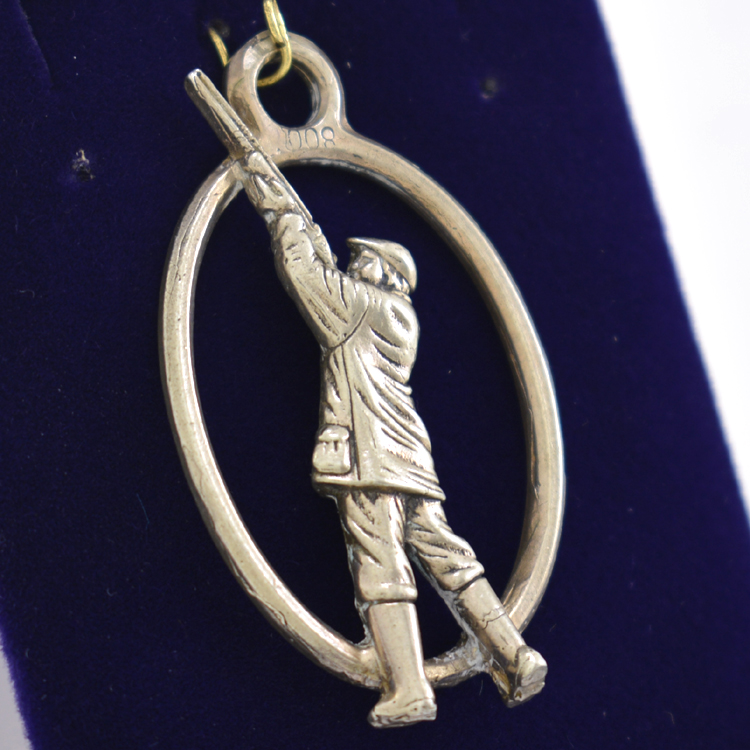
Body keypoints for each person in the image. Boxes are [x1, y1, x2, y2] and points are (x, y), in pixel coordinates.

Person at [245, 161, 547, 728]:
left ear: (384, 273)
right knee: (448, 557)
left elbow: (307, 277)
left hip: (369, 457)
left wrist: (285, 216)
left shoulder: (363, 307)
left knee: (379, 561)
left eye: (362, 261)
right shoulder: (397, 317)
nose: (353, 264)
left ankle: (408, 686)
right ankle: (513, 653)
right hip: (409, 458)